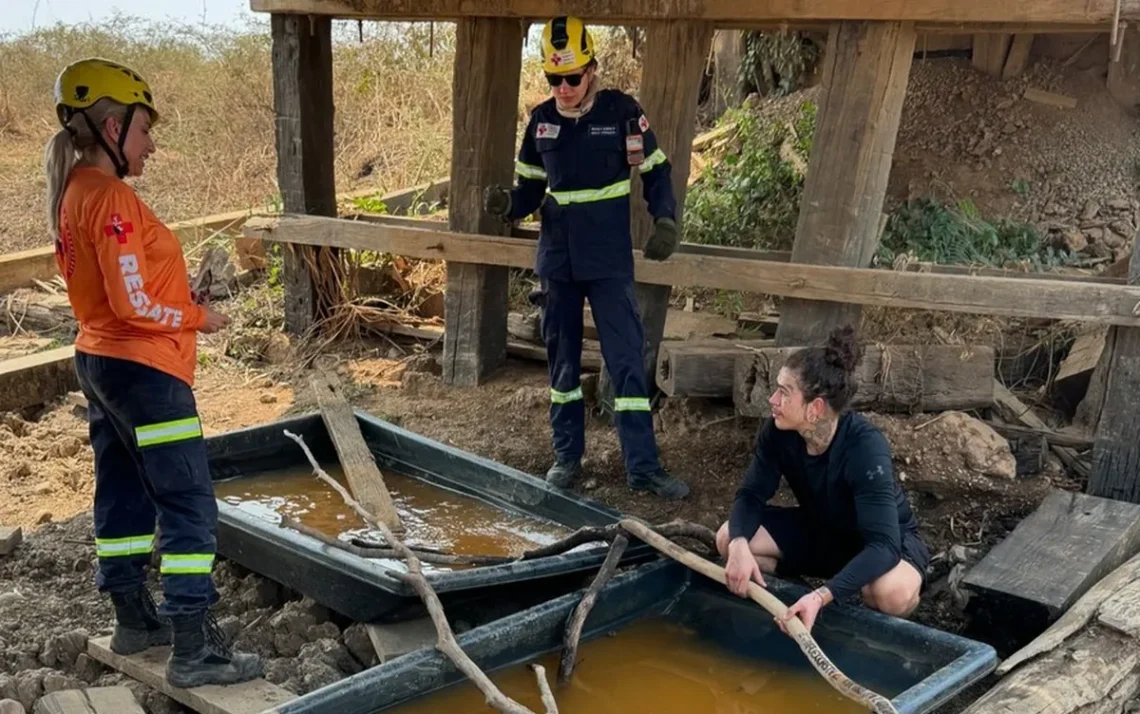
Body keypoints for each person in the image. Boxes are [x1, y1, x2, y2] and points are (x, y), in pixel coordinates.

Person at [45, 57, 261, 688]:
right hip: (143, 369)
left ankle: (134, 618)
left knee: (122, 490)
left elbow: (118, 290)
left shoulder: (76, 191)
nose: (151, 143)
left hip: (101, 360)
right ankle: (195, 647)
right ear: (112, 127)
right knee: (188, 501)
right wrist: (198, 315)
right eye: (144, 129)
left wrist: (176, 297)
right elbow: (133, 302)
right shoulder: (111, 198)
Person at [484, 16, 689, 499]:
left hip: (609, 263)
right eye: (554, 79)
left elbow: (657, 171)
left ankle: (643, 468)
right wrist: (507, 204)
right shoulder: (540, 122)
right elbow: (531, 191)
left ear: (592, 70)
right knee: (562, 366)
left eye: (572, 77)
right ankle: (567, 458)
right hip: (558, 264)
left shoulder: (621, 114)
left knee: (626, 363)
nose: (564, 88)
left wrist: (665, 220)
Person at [715, 326, 930, 632]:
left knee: (888, 594)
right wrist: (738, 546)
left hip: (883, 542)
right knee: (727, 538)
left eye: (784, 393)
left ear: (815, 408)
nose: (773, 400)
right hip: (824, 530)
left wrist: (821, 596)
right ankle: (798, 598)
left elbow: (883, 545)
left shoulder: (865, 447)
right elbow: (751, 494)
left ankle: (839, 600)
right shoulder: (777, 432)